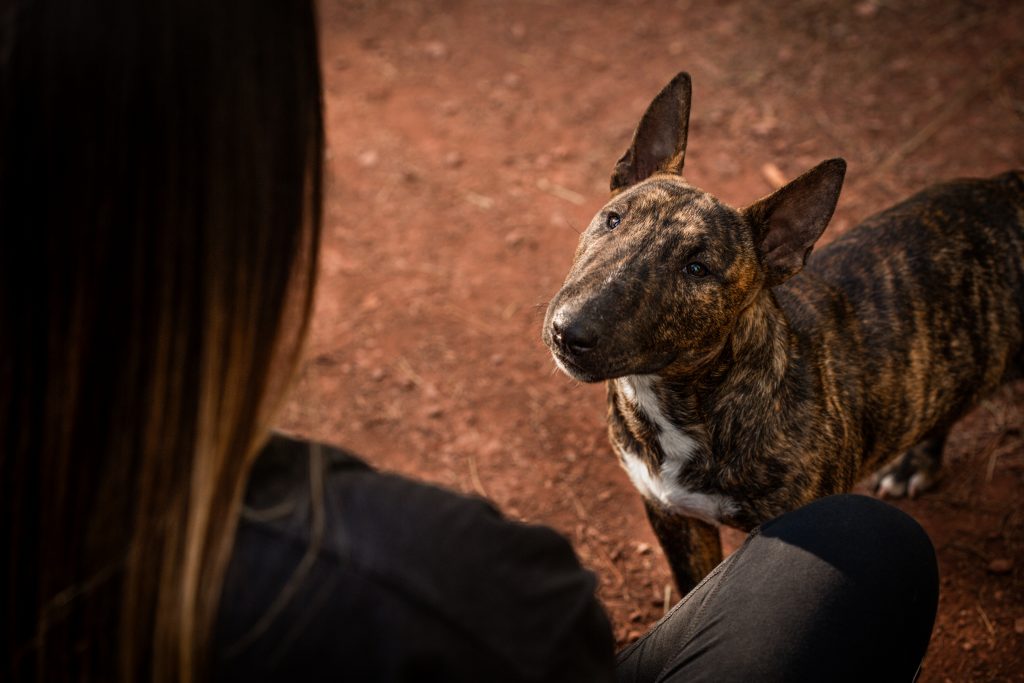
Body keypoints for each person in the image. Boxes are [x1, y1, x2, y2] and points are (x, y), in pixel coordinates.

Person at [0, 1, 938, 681]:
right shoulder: (446, 587)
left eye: (690, 270)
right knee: (865, 549)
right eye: (613, 223)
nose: (576, 312)